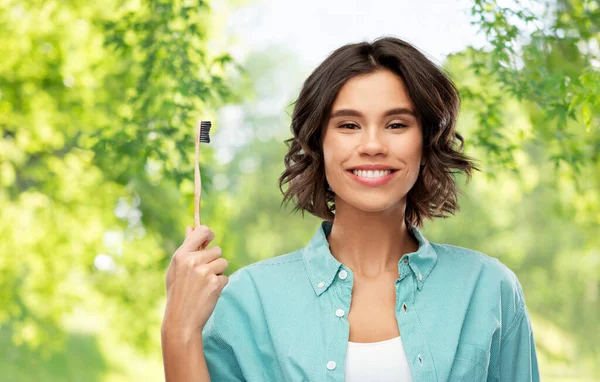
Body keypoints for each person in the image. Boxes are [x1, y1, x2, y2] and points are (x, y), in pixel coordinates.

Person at [161, 36, 540, 381]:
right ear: (318, 143)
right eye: (348, 125)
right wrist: (178, 330)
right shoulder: (249, 299)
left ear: (425, 144)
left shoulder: (489, 289)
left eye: (395, 124)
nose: (372, 145)